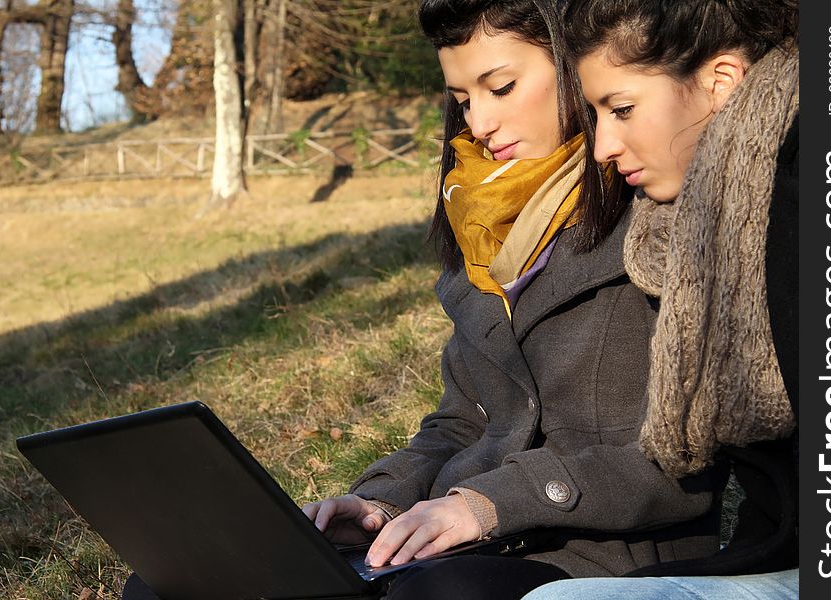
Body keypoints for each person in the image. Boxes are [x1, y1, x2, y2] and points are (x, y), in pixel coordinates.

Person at [301, 1, 731, 599]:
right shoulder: (481, 223)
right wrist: (381, 500)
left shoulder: (659, 212)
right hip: (461, 544)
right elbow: (461, 421)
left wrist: (489, 504)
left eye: (501, 87)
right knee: (195, 579)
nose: (479, 124)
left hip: (601, 564)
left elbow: (682, 461)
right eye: (464, 99)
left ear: (573, 63)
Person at [523, 0, 800, 598]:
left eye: (621, 109)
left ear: (721, 80)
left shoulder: (811, 193)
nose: (602, 147)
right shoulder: (684, 229)